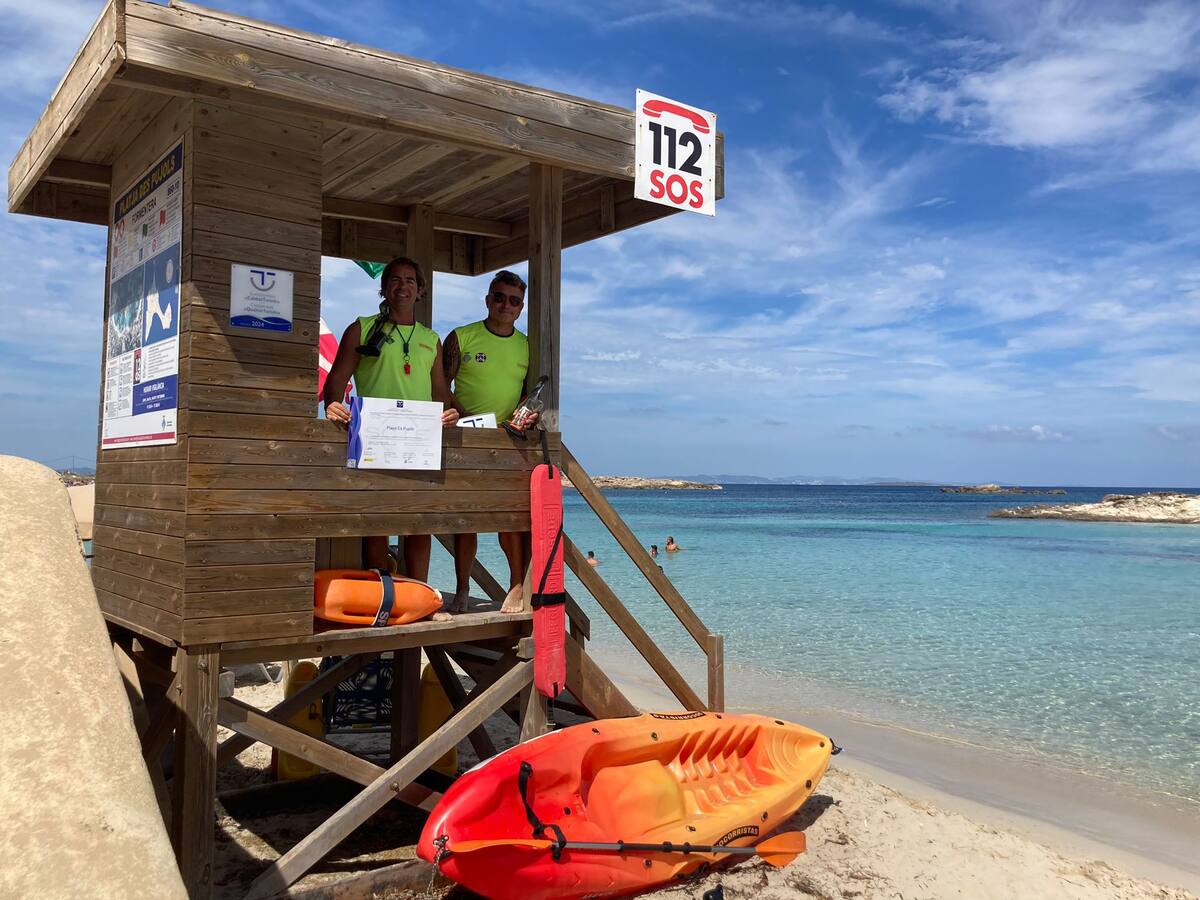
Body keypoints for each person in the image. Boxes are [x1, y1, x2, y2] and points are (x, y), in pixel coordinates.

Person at [324, 256, 459, 580]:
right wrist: (331, 405)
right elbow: (336, 380)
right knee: (376, 522)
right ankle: (383, 596)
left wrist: (453, 413)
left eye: (410, 280)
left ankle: (420, 595)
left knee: (419, 522)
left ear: (421, 290)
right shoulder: (362, 327)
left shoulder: (431, 339)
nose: (403, 286)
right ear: (384, 288)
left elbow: (440, 391)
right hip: (373, 438)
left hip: (419, 443)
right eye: (395, 280)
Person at [443, 270, 537, 614]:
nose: (506, 305)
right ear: (488, 300)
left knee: (509, 520)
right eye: (499, 297)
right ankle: (463, 588)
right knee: (465, 521)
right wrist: (458, 412)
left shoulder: (527, 344)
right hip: (466, 439)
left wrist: (529, 414)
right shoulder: (461, 337)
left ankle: (516, 586)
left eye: (514, 300)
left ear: (522, 307)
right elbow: (440, 385)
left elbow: (532, 390)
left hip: (509, 443)